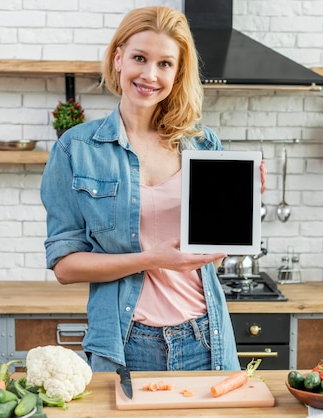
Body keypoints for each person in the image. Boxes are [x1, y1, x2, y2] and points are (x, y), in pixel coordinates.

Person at [40, 6, 266, 373]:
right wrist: (152, 259)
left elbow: (219, 249)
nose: (149, 74)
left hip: (204, 338)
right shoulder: (75, 149)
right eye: (139, 58)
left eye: (164, 64)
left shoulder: (203, 145)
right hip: (125, 342)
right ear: (118, 59)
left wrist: (247, 201)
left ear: (177, 74)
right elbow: (65, 267)